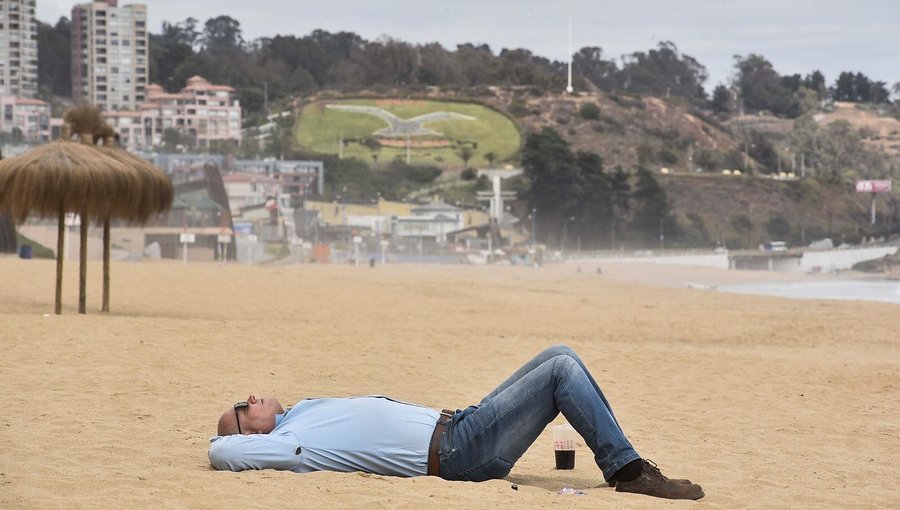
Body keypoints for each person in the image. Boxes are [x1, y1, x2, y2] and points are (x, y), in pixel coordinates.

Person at [209, 345, 703, 500]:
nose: (251, 398)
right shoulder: (289, 443)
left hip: (459, 423)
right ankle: (628, 471)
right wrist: (228, 438)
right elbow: (221, 452)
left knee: (560, 354)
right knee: (560, 373)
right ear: (251, 433)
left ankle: (625, 465)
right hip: (459, 453)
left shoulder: (299, 416)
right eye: (242, 406)